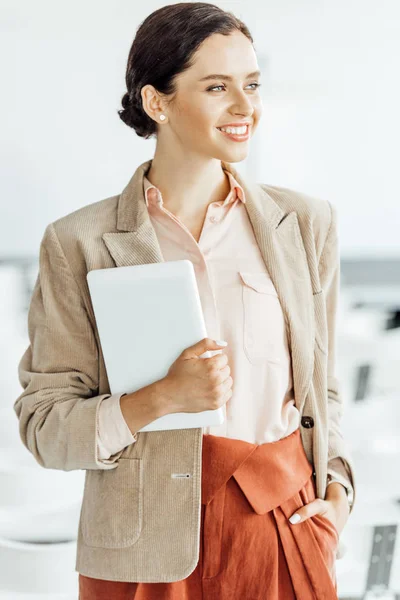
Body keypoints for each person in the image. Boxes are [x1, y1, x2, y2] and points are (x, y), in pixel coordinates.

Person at [14, 3, 356, 599]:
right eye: (217, 87)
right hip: (142, 549)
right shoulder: (79, 243)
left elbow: (321, 387)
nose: (246, 108)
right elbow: (45, 426)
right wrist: (161, 399)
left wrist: (340, 490)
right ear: (157, 102)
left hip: (284, 526)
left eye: (252, 85)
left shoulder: (305, 224)